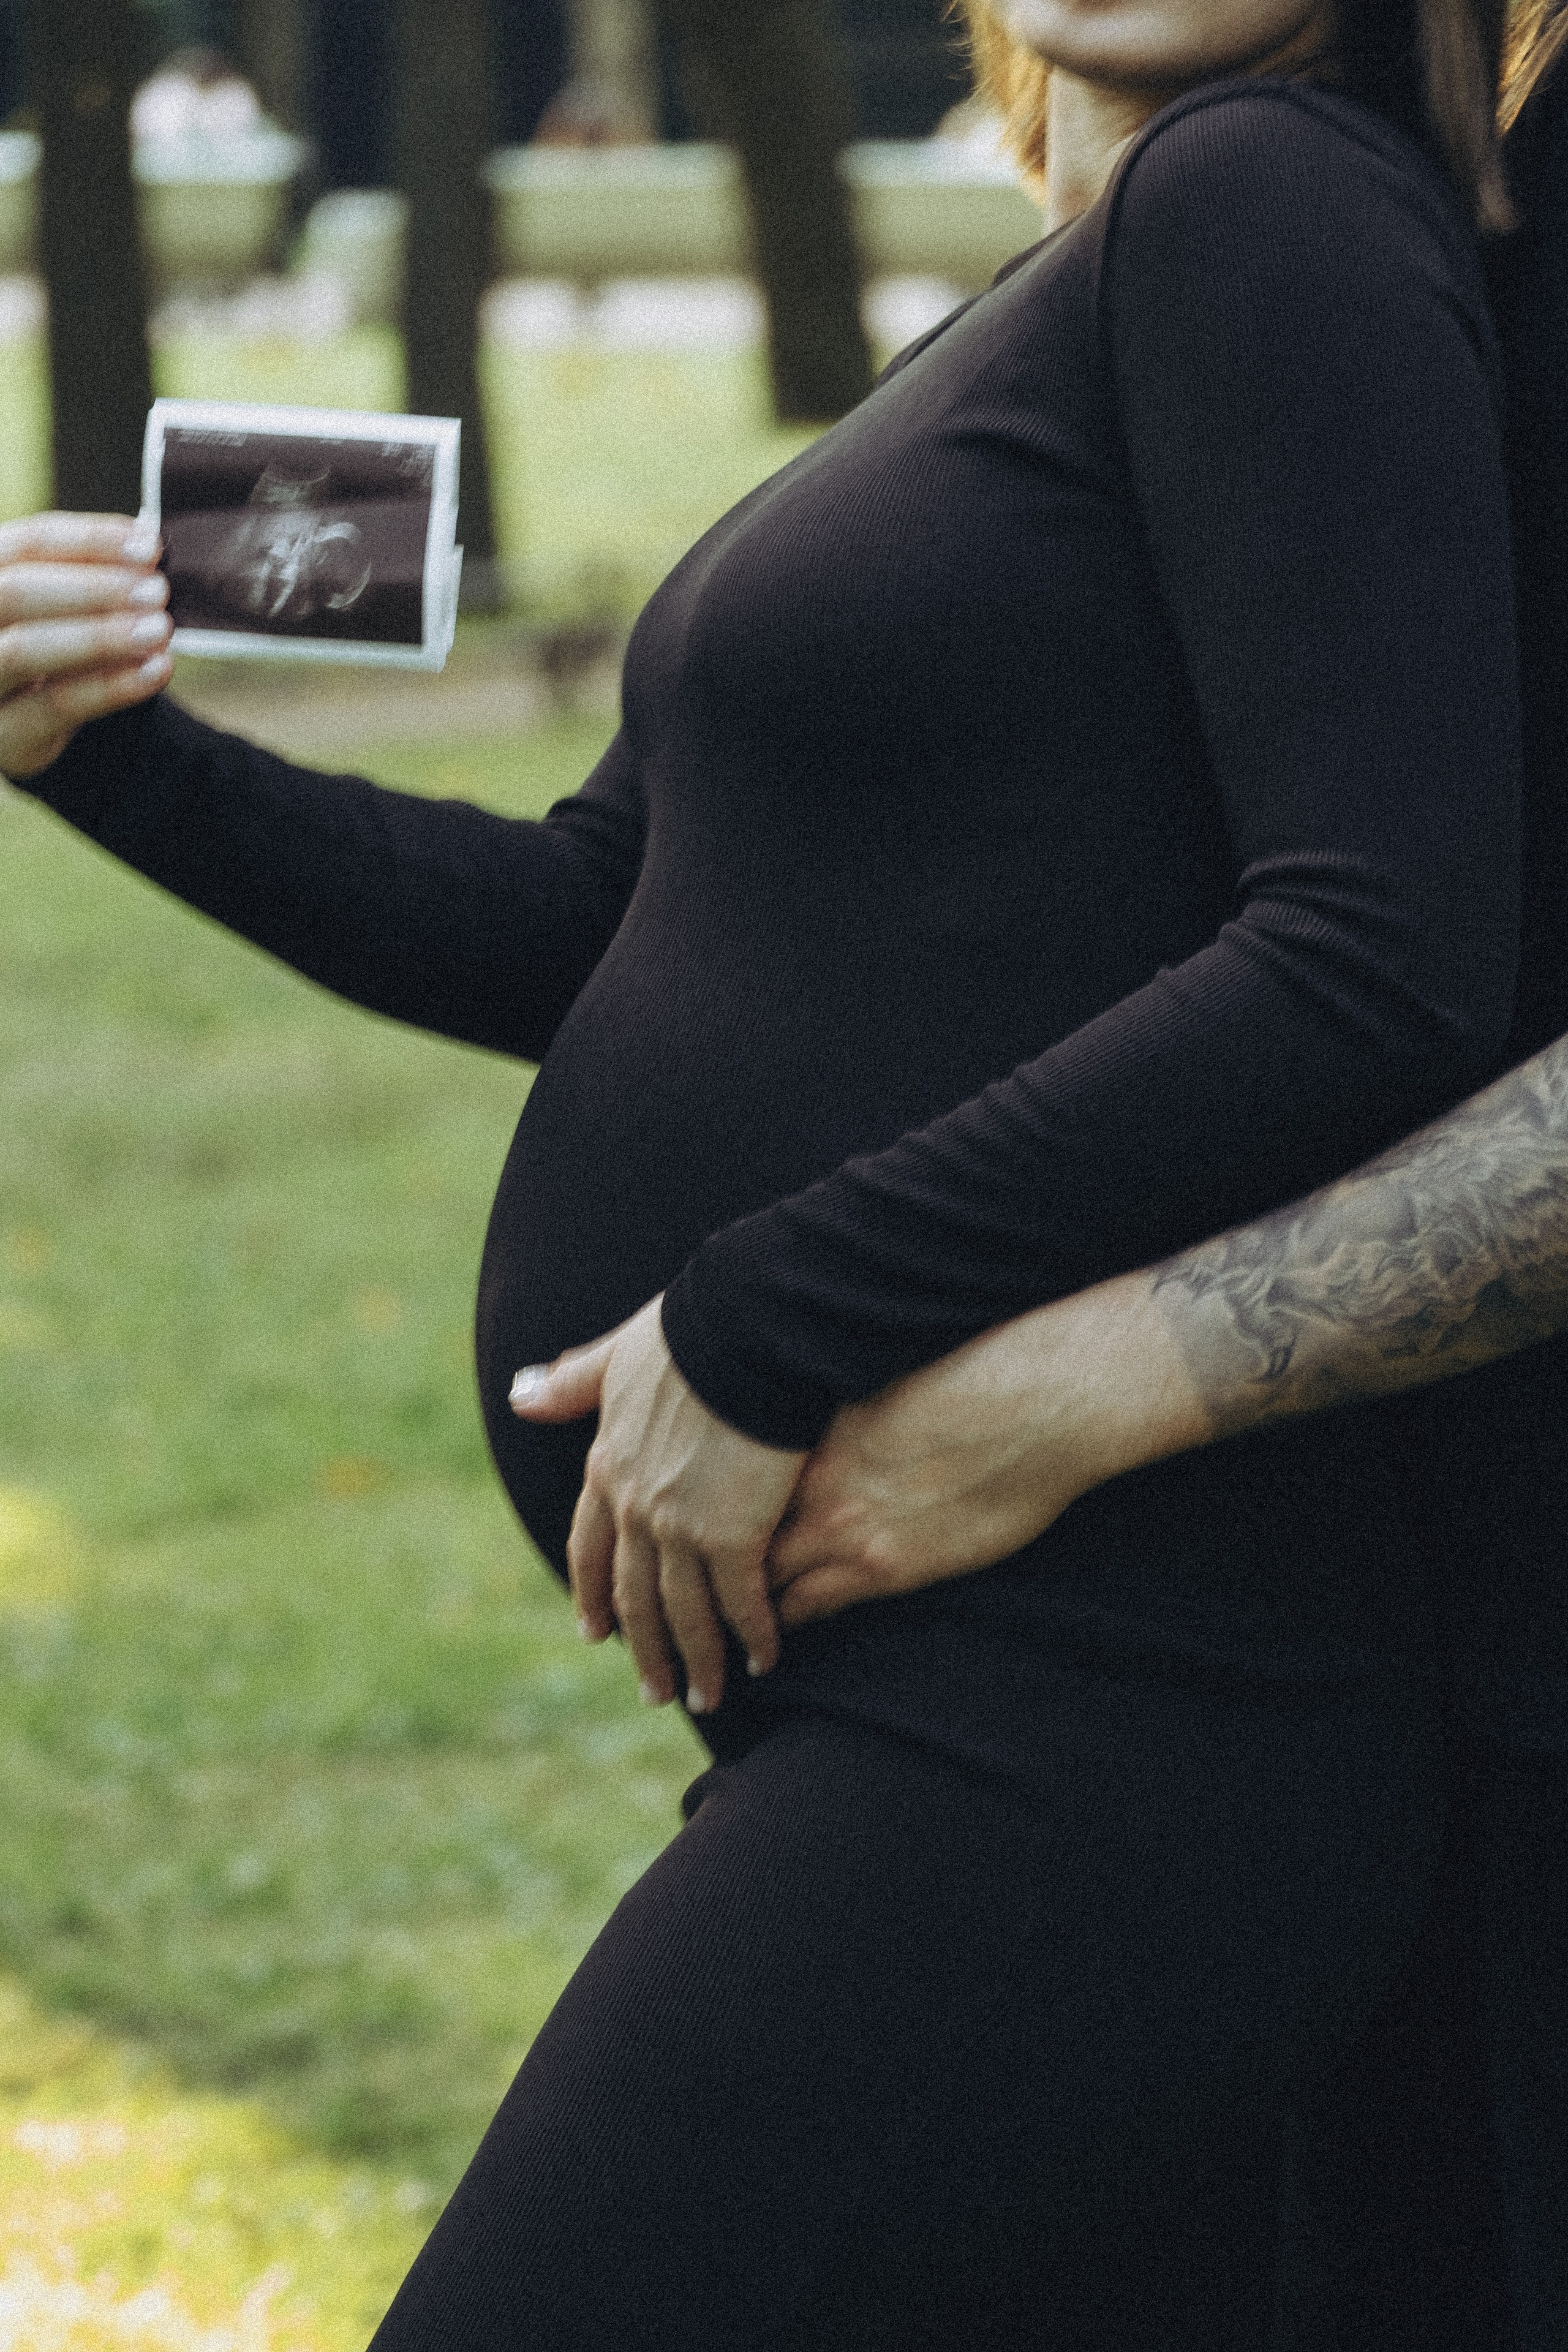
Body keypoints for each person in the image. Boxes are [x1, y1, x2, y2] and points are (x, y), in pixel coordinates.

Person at [0, 0, 1536, 2342]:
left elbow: (1381, 952)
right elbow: (600, 923)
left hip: (1111, 1707)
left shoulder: (1272, 202)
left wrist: (765, 1317)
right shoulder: (1095, 273)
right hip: (993, 1705)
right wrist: (122, 764)